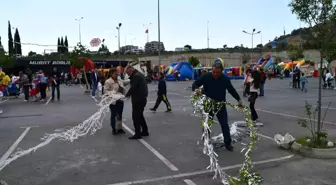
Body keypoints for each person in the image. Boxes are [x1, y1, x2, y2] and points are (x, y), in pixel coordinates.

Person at [192, 62, 243, 151]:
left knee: (224, 124)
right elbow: (195, 83)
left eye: (218, 72)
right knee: (207, 125)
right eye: (214, 72)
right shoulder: (206, 76)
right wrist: (196, 89)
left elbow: (231, 90)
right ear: (212, 70)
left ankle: (228, 144)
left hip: (220, 105)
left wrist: (239, 99)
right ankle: (206, 142)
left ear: (221, 72)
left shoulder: (225, 79)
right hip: (208, 105)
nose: (215, 74)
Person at [125, 65, 149, 140]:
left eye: (128, 73)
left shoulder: (136, 76)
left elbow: (133, 87)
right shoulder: (139, 74)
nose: (128, 74)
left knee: (135, 117)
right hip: (142, 98)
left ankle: (138, 133)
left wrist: (126, 95)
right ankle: (145, 131)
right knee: (140, 116)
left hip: (138, 99)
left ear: (131, 70)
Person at [104, 68, 127, 135]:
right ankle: (114, 129)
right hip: (113, 101)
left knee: (120, 115)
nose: (117, 75)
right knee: (113, 115)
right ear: (111, 74)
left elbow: (123, 83)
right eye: (115, 74)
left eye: (117, 74)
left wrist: (130, 80)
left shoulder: (119, 79)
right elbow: (106, 91)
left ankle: (119, 128)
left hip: (120, 100)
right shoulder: (108, 81)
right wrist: (114, 94)